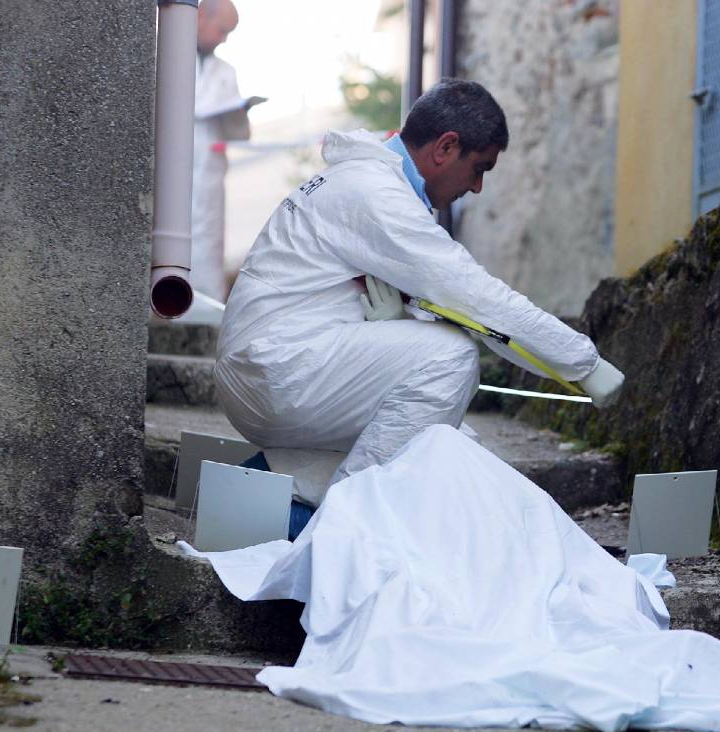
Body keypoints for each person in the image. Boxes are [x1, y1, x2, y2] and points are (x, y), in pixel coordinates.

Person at [215, 79, 624, 488]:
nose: (477, 188)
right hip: (277, 372)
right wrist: (584, 363)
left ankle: (281, 496)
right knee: (449, 360)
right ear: (446, 147)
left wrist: (393, 323)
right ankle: (352, 518)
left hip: (276, 368)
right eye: (479, 169)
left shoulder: (368, 182)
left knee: (449, 444)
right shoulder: (376, 194)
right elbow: (472, 294)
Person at [192, 0, 250, 301]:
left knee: (208, 243)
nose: (224, 39)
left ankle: (206, 312)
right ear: (200, 16)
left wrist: (240, 113)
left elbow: (238, 133)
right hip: (170, 173)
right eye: (222, 30)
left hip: (209, 176)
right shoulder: (162, 56)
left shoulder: (225, 71)